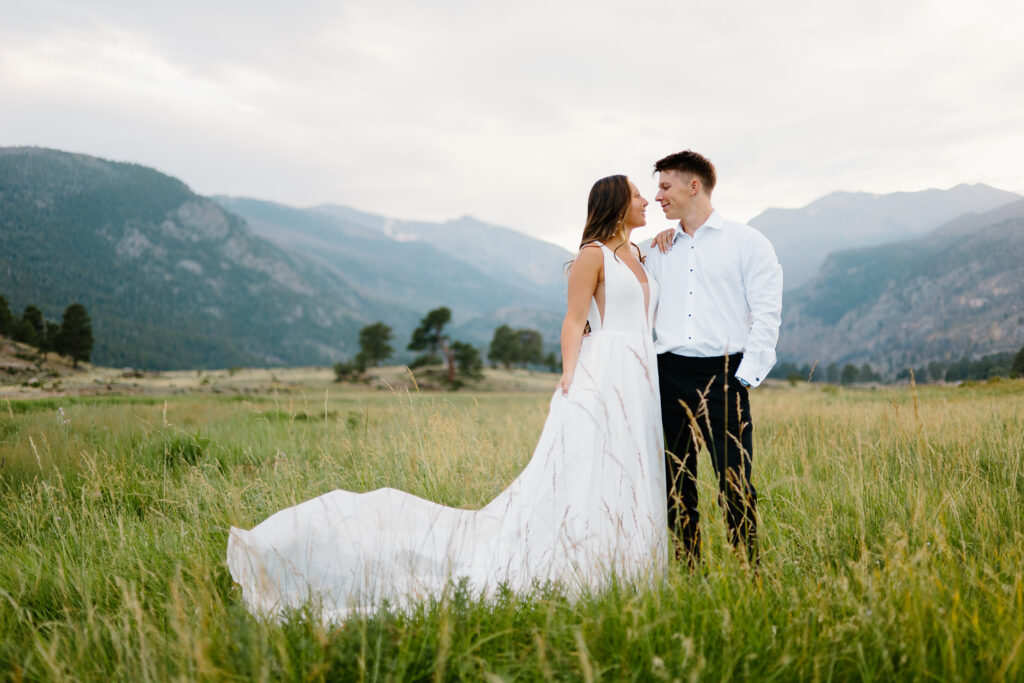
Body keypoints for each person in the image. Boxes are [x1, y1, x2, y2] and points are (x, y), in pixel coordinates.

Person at [226, 176, 666, 621]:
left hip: (640, 378)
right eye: (636, 194)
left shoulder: (639, 254)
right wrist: (572, 376)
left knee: (630, 467)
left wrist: (668, 237)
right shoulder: (593, 256)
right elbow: (573, 321)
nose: (646, 200)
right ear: (614, 202)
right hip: (602, 373)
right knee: (590, 472)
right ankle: (586, 567)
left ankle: (629, 567)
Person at [645, 150, 783, 568]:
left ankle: (748, 570)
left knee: (735, 482)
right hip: (667, 374)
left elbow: (767, 312)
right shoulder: (657, 248)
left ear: (694, 186)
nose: (657, 197)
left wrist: (744, 378)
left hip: (724, 374)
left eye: (665, 187)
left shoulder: (748, 242)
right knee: (675, 481)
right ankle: (689, 571)